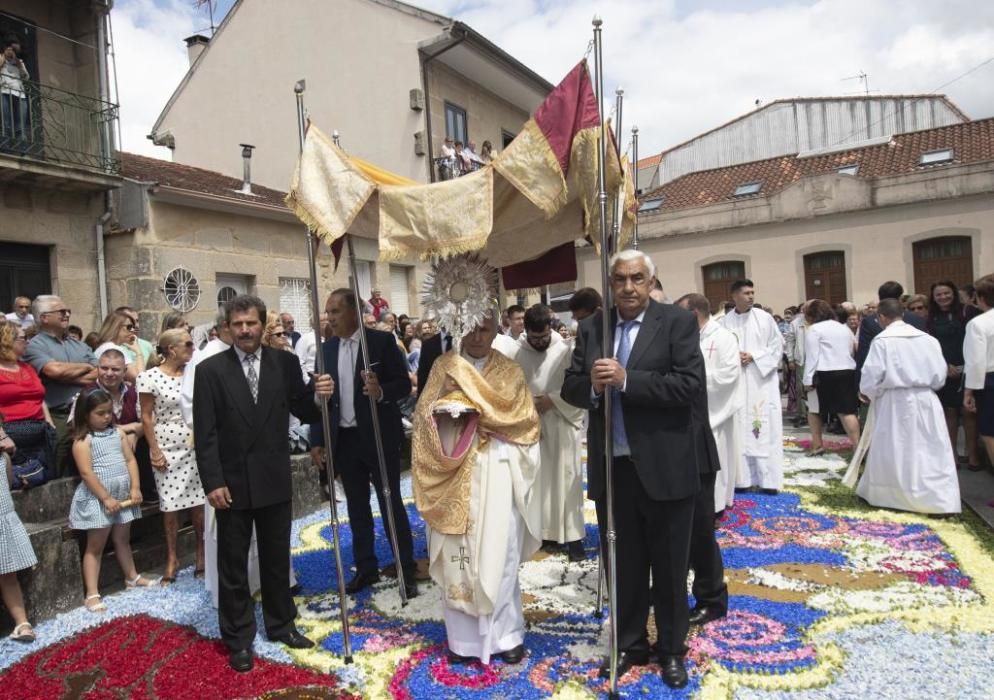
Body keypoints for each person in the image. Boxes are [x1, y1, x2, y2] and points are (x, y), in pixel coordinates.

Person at [562, 249, 703, 689]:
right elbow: (570, 386)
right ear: (610, 283)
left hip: (666, 468)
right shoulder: (592, 328)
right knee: (622, 565)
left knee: (669, 567)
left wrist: (627, 381)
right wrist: (594, 387)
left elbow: (689, 386)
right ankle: (629, 645)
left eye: (637, 279)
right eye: (620, 279)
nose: (627, 287)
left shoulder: (676, 323)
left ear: (650, 281)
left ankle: (672, 651)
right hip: (614, 471)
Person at [193, 295, 332, 672]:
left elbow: (303, 408)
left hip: (272, 477)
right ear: (228, 327)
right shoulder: (210, 371)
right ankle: (238, 638)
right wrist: (213, 482)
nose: (244, 330)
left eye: (251, 323)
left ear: (262, 323)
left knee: (275, 558)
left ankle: (281, 624)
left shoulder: (284, 364)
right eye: (237, 324)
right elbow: (204, 435)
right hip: (232, 483)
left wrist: (321, 395)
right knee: (233, 564)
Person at [414, 301, 540, 666]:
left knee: (500, 556)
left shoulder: (510, 371)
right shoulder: (444, 367)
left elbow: (526, 424)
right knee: (459, 557)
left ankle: (507, 636)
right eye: (471, 327)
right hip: (453, 470)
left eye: (485, 328)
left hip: (498, 469)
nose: (478, 336)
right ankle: (463, 641)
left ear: (495, 328)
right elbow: (423, 422)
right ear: (459, 326)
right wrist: (449, 417)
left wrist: (490, 426)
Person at [310, 289, 418, 597]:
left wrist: (380, 390)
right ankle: (366, 568)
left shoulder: (381, 343)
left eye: (335, 311)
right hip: (344, 440)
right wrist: (318, 439)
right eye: (328, 312)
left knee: (390, 503)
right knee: (356, 508)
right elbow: (321, 398)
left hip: (379, 436)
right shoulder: (325, 350)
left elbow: (403, 384)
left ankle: (405, 568)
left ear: (354, 312)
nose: (329, 317)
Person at [856, 299, 960, 514]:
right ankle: (936, 497)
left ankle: (893, 495)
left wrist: (868, 392)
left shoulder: (883, 340)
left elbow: (872, 374)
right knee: (928, 448)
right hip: (926, 398)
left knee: (896, 446)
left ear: (882, 317)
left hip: (894, 401)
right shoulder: (928, 339)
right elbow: (940, 374)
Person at [508, 304, 586, 561]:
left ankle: (574, 539)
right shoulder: (518, 354)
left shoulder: (565, 350)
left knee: (566, 482)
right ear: (526, 331)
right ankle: (548, 535)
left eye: (543, 337)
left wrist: (552, 400)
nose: (539, 342)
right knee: (539, 485)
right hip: (533, 427)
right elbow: (511, 390)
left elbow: (577, 386)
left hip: (562, 423)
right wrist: (529, 403)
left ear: (550, 329)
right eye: (534, 338)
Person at [68, 389, 158, 613]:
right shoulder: (83, 441)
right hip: (99, 498)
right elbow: (87, 474)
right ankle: (91, 593)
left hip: (122, 495)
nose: (107, 417)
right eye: (100, 413)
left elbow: (130, 460)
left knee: (123, 539)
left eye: (109, 412)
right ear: (86, 414)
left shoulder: (117, 434)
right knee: (95, 547)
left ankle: (131, 576)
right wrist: (105, 498)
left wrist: (135, 487)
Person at [138, 329, 205, 584]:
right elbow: (146, 417)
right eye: (187, 344)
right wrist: (154, 450)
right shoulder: (149, 377)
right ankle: (172, 557)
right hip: (166, 444)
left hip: (194, 443)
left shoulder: (194, 373)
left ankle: (201, 555)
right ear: (171, 349)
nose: (192, 348)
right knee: (170, 504)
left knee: (200, 503)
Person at [677, 293, 743, 516]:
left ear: (693, 314)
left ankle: (716, 508)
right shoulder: (688, 336)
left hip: (716, 411)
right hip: (692, 408)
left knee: (717, 458)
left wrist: (692, 381)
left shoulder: (723, 337)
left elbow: (729, 375)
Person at [718, 279, 784, 494]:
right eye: (746, 293)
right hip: (737, 383)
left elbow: (777, 346)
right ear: (734, 296)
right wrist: (734, 358)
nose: (751, 296)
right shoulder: (724, 323)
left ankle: (769, 481)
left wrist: (754, 356)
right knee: (739, 429)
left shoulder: (764, 319)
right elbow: (719, 350)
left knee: (764, 425)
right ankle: (742, 480)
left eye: (752, 292)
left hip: (760, 382)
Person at [22, 295, 96, 476]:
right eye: (61, 311)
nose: (67, 314)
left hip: (86, 413)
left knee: (91, 464)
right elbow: (53, 371)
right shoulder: (34, 345)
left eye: (68, 311)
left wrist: (66, 376)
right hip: (59, 416)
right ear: (44, 317)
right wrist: (85, 367)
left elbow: (99, 371)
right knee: (60, 464)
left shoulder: (78, 345)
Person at [927, 280, 979, 470]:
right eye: (938, 294)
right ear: (933, 298)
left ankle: (973, 456)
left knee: (969, 414)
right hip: (945, 370)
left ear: (954, 293)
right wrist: (944, 365)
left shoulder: (969, 312)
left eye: (946, 293)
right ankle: (953, 456)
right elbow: (930, 345)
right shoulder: (930, 317)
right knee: (949, 413)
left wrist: (966, 366)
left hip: (969, 368)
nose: (943, 297)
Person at [0, 321, 56, 481]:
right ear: (7, 340)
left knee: (43, 480)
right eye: (23, 338)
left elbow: (39, 397)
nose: (28, 342)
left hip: (40, 437)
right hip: (11, 438)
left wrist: (49, 422)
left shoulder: (27, 367)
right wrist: (2, 437)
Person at [803, 300, 861, 449]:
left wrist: (807, 379)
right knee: (847, 411)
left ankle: (817, 445)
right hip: (847, 370)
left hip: (824, 372)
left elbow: (812, 356)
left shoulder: (815, 329)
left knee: (814, 409)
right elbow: (853, 348)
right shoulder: (844, 328)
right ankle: (858, 447)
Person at [0, 415, 38, 642]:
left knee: (8, 575)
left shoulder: (3, 458)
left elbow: (8, 482)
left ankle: (22, 622)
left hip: (3, 520)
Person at [856, 281, 926, 376]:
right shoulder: (917, 320)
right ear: (900, 299)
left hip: (885, 377)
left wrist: (860, 384)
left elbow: (864, 355)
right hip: (916, 374)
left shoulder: (869, 322)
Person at [964, 274, 994, 469]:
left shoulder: (979, 323)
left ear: (981, 298)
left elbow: (976, 361)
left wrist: (969, 391)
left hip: (990, 380)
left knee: (990, 433)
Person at [94, 311, 146, 382]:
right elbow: (139, 378)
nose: (133, 331)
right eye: (129, 327)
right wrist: (138, 352)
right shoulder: (114, 349)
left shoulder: (104, 346)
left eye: (133, 327)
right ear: (116, 327)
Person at [1, 36, 30, 153]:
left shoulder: (19, 62)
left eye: (12, 50)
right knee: (5, 122)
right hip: (4, 92)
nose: (10, 52)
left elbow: (26, 77)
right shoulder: (1, 58)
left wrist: (19, 64)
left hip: (19, 94)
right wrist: (2, 58)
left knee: (20, 125)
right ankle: (5, 149)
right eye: (8, 49)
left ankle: (23, 151)